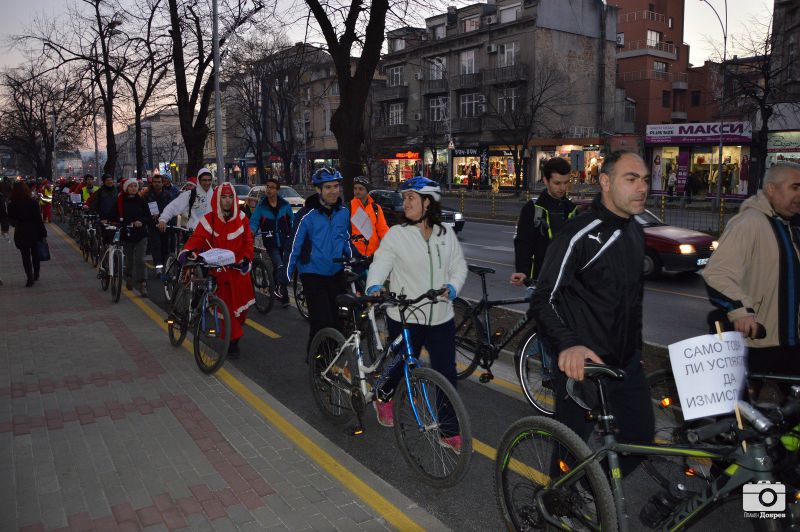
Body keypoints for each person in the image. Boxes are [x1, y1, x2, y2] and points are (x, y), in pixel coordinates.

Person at [529, 150, 653, 474]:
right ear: (606, 182)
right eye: (631, 179)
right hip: (583, 366)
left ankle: (590, 494)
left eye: (645, 180)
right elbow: (543, 298)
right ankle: (554, 511)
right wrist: (568, 344)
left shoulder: (636, 230)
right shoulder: (581, 234)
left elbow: (632, 303)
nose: (642, 188)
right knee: (569, 453)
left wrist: (635, 351)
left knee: (641, 438)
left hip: (625, 364)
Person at [365, 176, 467, 450]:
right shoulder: (397, 235)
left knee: (446, 373)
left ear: (428, 202)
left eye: (411, 197)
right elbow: (381, 261)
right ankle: (383, 397)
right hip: (406, 314)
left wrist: (453, 287)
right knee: (397, 366)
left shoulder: (446, 233)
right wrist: (374, 285)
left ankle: (448, 430)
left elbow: (459, 267)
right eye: (405, 197)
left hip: (441, 316)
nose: (405, 202)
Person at [703, 162, 800, 376]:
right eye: (795, 187)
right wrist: (741, 311)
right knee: (739, 407)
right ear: (771, 189)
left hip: (789, 339)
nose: (799, 194)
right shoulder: (750, 223)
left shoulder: (788, 225)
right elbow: (717, 273)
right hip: (757, 342)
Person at [179, 183, 255, 358]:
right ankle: (231, 340)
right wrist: (187, 251)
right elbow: (197, 238)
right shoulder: (209, 219)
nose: (227, 201)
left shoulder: (242, 218)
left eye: (230, 197)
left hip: (238, 270)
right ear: (218, 199)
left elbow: (248, 243)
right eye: (223, 197)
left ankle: (233, 335)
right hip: (219, 271)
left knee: (242, 311)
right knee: (226, 308)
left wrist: (246, 259)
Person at [285, 168, 352, 354]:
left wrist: (355, 259)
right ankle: (317, 361)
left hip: (336, 272)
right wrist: (285, 275)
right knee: (321, 321)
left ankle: (332, 358)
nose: (333, 191)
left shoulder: (344, 212)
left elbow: (345, 238)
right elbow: (293, 246)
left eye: (336, 186)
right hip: (312, 273)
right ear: (318, 190)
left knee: (339, 320)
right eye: (328, 187)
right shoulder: (306, 215)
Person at [511, 157, 578, 285]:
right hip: (538, 281)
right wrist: (522, 271)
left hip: (566, 282)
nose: (563, 188)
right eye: (557, 183)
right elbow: (523, 243)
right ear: (546, 181)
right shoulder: (533, 208)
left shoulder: (572, 210)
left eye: (566, 182)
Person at [249, 178, 294, 307]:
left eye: (272, 187)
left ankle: (277, 289)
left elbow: (292, 221)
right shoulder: (261, 206)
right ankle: (283, 295)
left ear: (277, 190)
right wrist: (251, 231)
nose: (269, 189)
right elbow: (254, 221)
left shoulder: (285, 205)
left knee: (279, 267)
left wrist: (292, 233)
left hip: (285, 241)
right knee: (279, 265)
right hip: (270, 242)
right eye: (267, 186)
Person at [113, 179, 150, 296]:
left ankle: (143, 284)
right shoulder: (120, 201)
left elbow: (147, 216)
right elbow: (114, 215)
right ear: (126, 188)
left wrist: (141, 221)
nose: (134, 188)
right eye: (131, 186)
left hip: (141, 234)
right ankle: (129, 276)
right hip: (127, 234)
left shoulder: (142, 200)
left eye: (135, 186)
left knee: (140, 259)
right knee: (129, 259)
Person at [7, 181, 47, 287]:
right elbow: (39, 219)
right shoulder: (33, 203)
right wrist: (43, 232)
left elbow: (11, 219)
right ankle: (36, 273)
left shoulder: (12, 204)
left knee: (25, 256)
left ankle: (29, 278)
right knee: (35, 253)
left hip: (21, 231)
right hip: (34, 230)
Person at [349, 175, 389, 258]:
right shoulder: (349, 207)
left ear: (367, 190)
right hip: (355, 256)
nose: (357, 191)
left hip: (373, 255)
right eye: (355, 188)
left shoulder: (376, 208)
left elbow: (383, 230)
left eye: (361, 188)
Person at [142, 172, 174, 275]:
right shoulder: (147, 195)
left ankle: (164, 265)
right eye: (155, 182)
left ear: (162, 183)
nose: (157, 184)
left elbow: (172, 209)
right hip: (152, 225)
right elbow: (143, 210)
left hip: (165, 225)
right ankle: (158, 267)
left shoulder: (168, 195)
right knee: (156, 246)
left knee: (165, 247)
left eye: (159, 182)